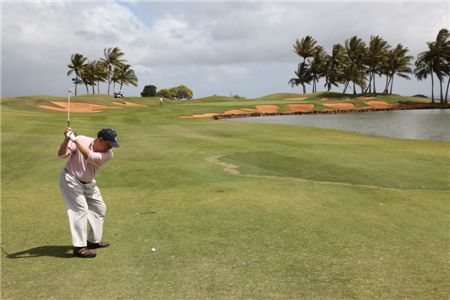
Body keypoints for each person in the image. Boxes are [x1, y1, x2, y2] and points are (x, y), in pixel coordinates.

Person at [58, 127, 119, 258]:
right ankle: (79, 247)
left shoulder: (108, 154)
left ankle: (92, 241)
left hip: (88, 182)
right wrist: (67, 139)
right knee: (80, 210)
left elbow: (88, 155)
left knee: (99, 208)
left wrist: (74, 140)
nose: (110, 148)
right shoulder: (81, 139)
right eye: (108, 144)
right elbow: (62, 154)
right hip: (71, 179)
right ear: (100, 139)